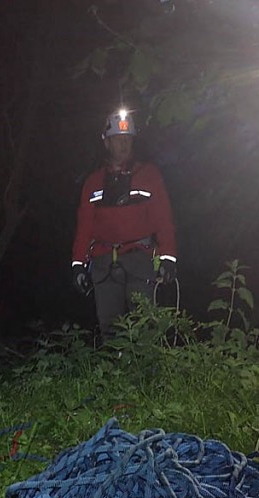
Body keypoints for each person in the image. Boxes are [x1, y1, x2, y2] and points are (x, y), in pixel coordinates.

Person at [71, 109, 178, 340]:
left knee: (145, 324)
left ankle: (146, 373)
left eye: (128, 139)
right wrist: (78, 264)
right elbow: (84, 227)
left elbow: (164, 218)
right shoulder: (93, 182)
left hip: (140, 258)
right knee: (109, 325)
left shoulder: (149, 175)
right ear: (106, 143)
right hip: (103, 259)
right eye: (118, 139)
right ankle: (115, 373)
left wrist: (168, 257)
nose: (124, 144)